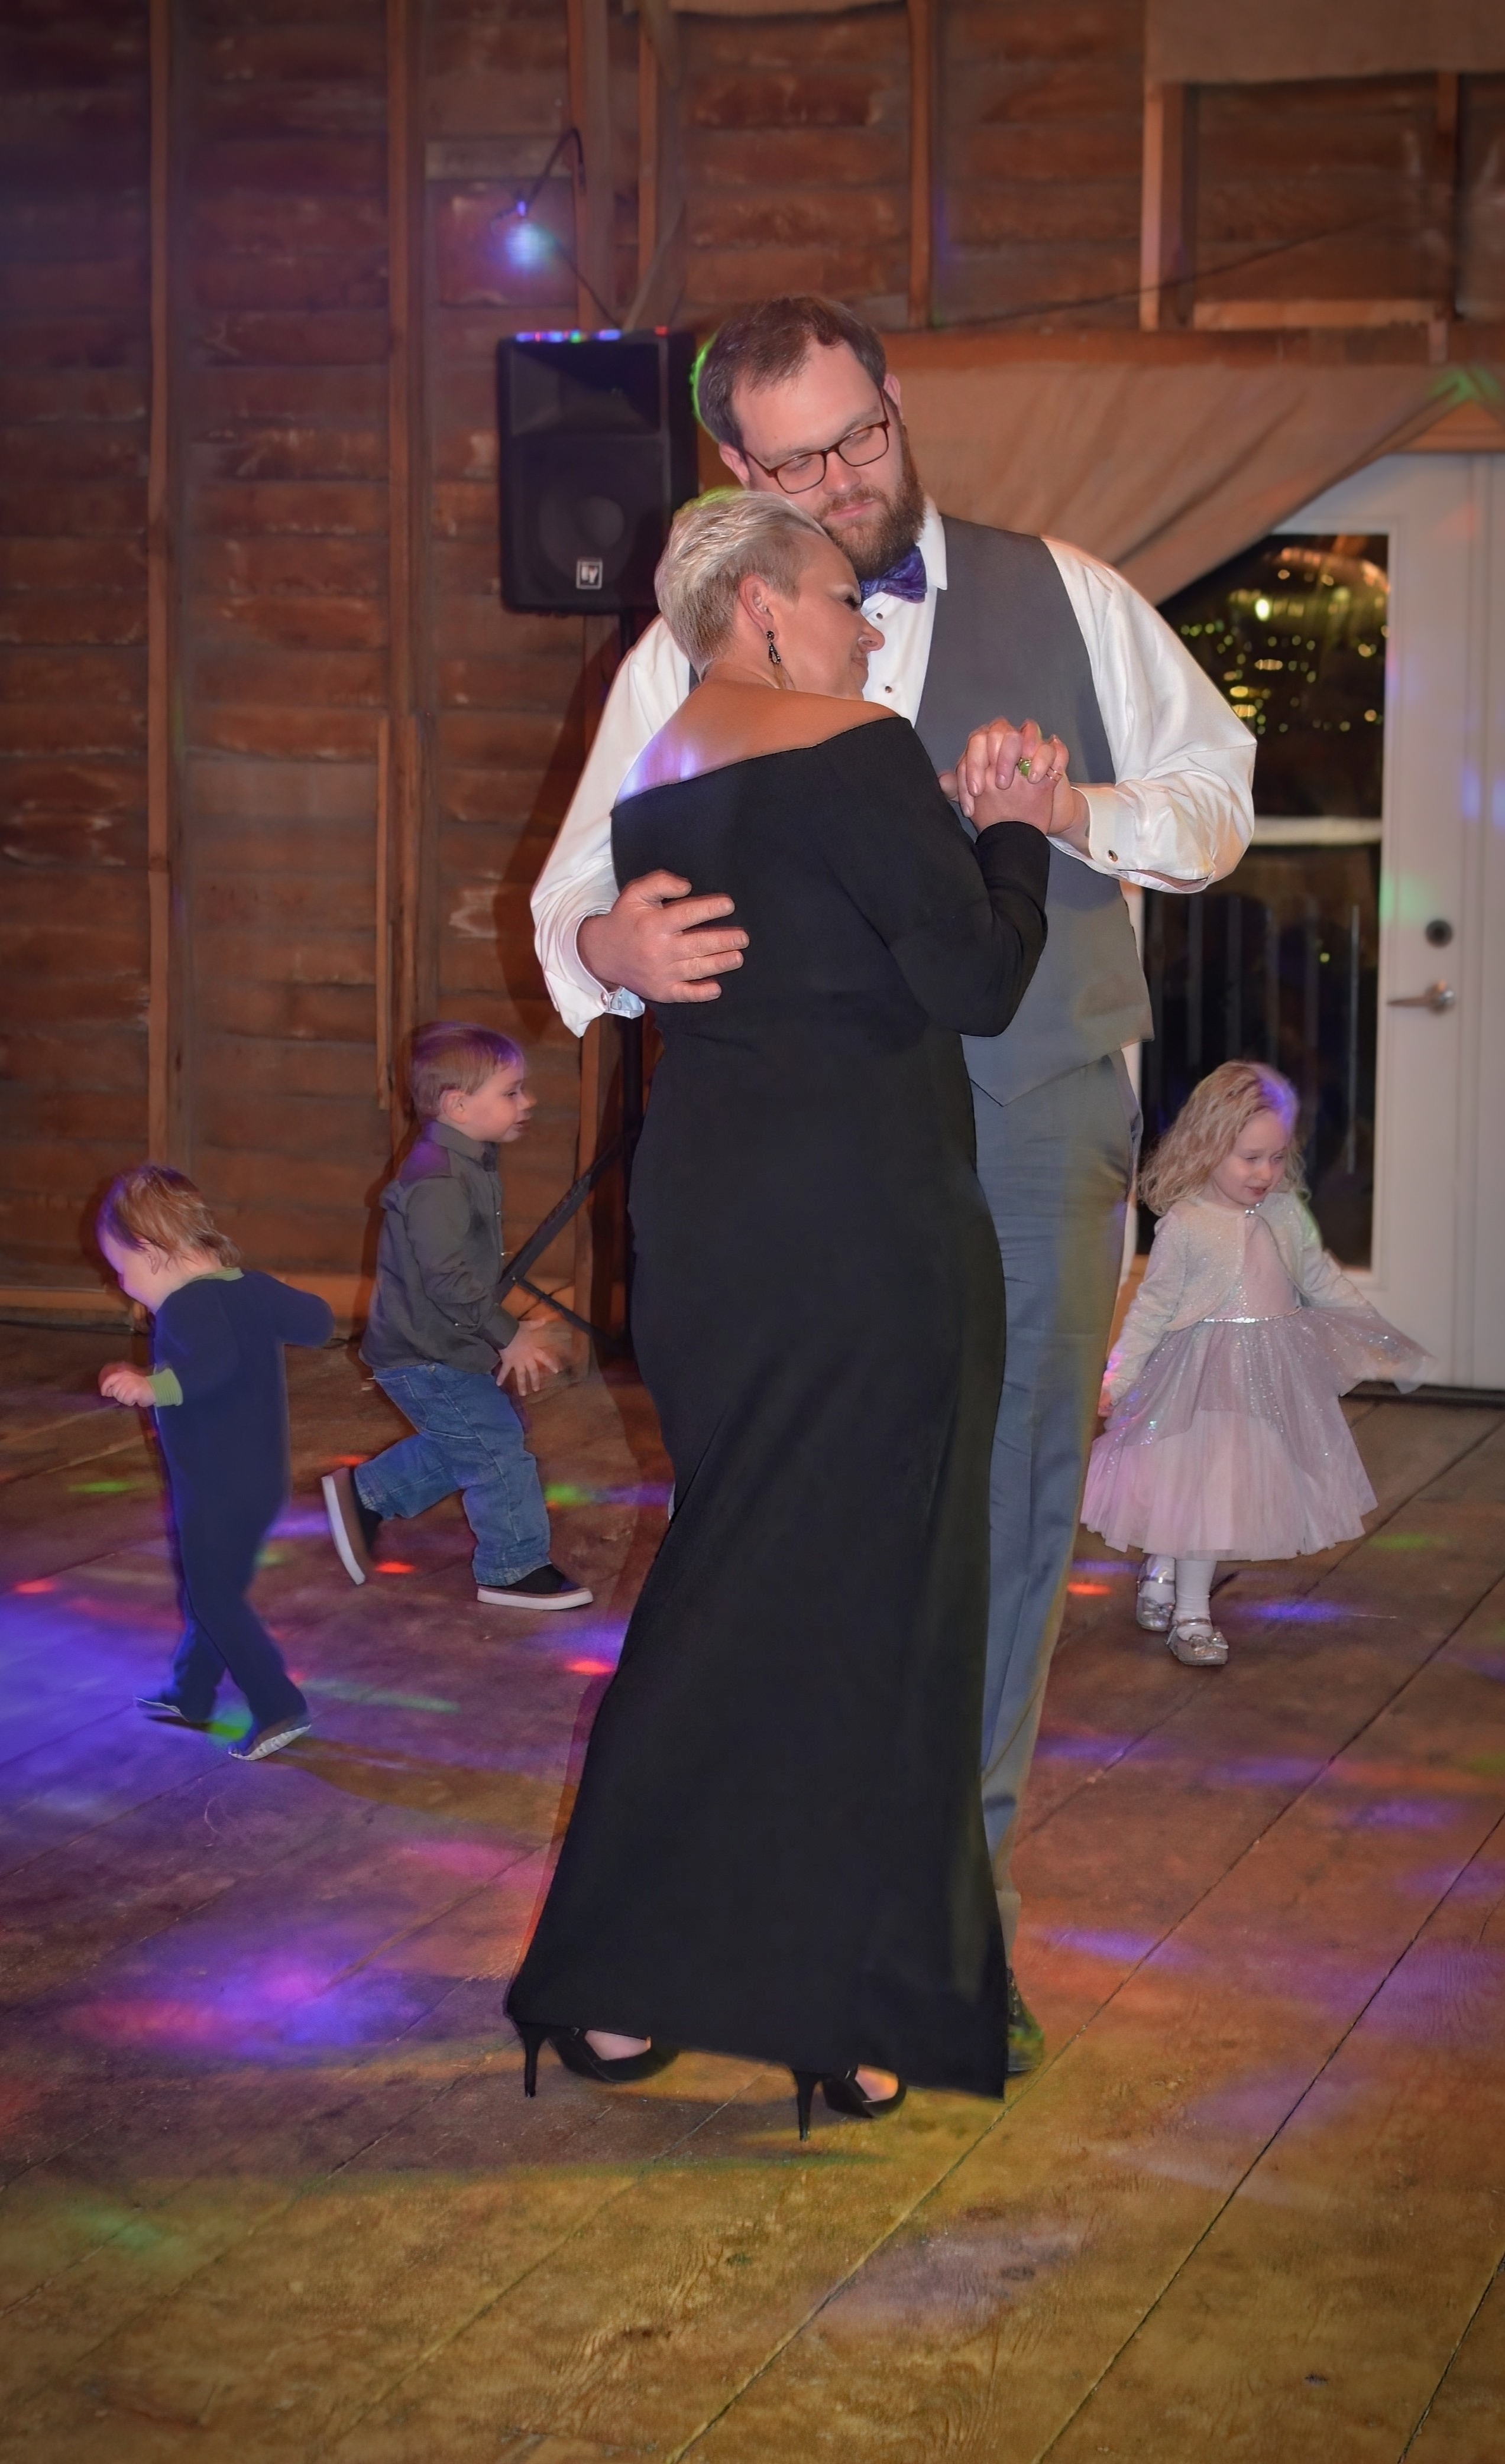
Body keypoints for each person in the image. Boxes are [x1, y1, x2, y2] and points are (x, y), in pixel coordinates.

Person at [530, 293, 1256, 2069]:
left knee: (990, 1542)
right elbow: (571, 899)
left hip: (1024, 1127)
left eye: (860, 435)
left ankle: (933, 1942)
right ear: (734, 467)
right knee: (781, 1543)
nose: (844, 478)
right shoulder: (681, 653)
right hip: (802, 1174)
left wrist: (1066, 810)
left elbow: (1213, 797)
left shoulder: (1066, 591)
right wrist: (609, 947)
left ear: (896, 402)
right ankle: (738, 1934)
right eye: (797, 462)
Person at [507, 491, 1054, 2135]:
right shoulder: (856, 748)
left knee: (736, 1578)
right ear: (758, 605)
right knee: (880, 1608)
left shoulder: (663, 772)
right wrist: (1012, 829)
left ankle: (620, 1977)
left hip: (709, 1222)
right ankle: (848, 2000)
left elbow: (789, 952)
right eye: (839, 599)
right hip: (862, 1228)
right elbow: (977, 980)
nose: (866, 630)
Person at [1083, 1062, 1432, 1666]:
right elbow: (1152, 1309)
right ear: (1206, 1147)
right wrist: (1118, 1377)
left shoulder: (1285, 1214)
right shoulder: (1187, 1224)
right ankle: (1190, 1613)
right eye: (1249, 1158)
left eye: (1275, 1158)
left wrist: (1375, 1329)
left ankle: (1165, 1574)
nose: (1265, 1174)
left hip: (1262, 1378)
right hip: (1194, 1378)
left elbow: (1318, 1277)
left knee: (1213, 1489)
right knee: (1195, 1488)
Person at [322, 1022, 591, 1612]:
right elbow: (447, 1278)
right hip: (423, 1353)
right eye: (512, 1092)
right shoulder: (439, 1179)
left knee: (477, 1436)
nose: (527, 1101)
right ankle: (512, 1567)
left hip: (445, 1344)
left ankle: (368, 1494)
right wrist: (507, 1335)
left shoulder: (466, 1161)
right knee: (495, 1450)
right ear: (458, 1105)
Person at [96, 1163, 334, 1761]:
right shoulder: (248, 1286)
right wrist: (268, 1299)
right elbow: (319, 1321)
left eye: (122, 1270)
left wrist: (152, 1386)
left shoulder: (186, 1307)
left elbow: (214, 1364)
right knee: (212, 1588)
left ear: (150, 1251)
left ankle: (277, 1704)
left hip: (216, 1487)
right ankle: (192, 1692)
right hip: (260, 1481)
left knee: (213, 1597)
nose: (123, 1284)